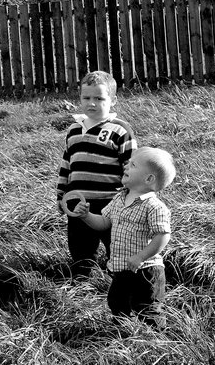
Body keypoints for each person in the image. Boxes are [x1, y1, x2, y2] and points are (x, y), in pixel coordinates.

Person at [73, 146, 176, 328]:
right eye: (128, 163)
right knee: (117, 303)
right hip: (120, 267)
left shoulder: (154, 206)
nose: (126, 166)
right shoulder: (119, 198)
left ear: (149, 179)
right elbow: (104, 222)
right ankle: (123, 332)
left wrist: (141, 256)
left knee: (148, 307)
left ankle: (156, 339)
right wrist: (86, 216)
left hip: (146, 270)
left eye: (133, 165)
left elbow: (162, 236)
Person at [57, 70, 137, 278]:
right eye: (86, 98)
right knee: (80, 248)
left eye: (99, 98)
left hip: (112, 203)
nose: (92, 103)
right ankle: (85, 282)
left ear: (113, 100)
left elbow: (131, 165)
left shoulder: (120, 130)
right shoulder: (75, 129)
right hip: (79, 202)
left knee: (117, 246)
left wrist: (133, 197)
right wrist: (60, 195)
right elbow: (67, 165)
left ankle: (119, 281)